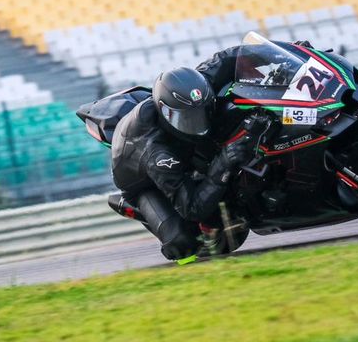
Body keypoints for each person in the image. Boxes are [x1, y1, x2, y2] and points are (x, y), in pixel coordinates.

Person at [110, 63, 269, 263]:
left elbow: (232, 56)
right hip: (144, 184)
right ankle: (135, 206)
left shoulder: (201, 83)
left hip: (184, 150)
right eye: (187, 119)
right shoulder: (158, 156)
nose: (198, 125)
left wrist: (289, 55)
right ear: (166, 114)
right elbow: (192, 208)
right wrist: (223, 164)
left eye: (201, 114)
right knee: (182, 245)